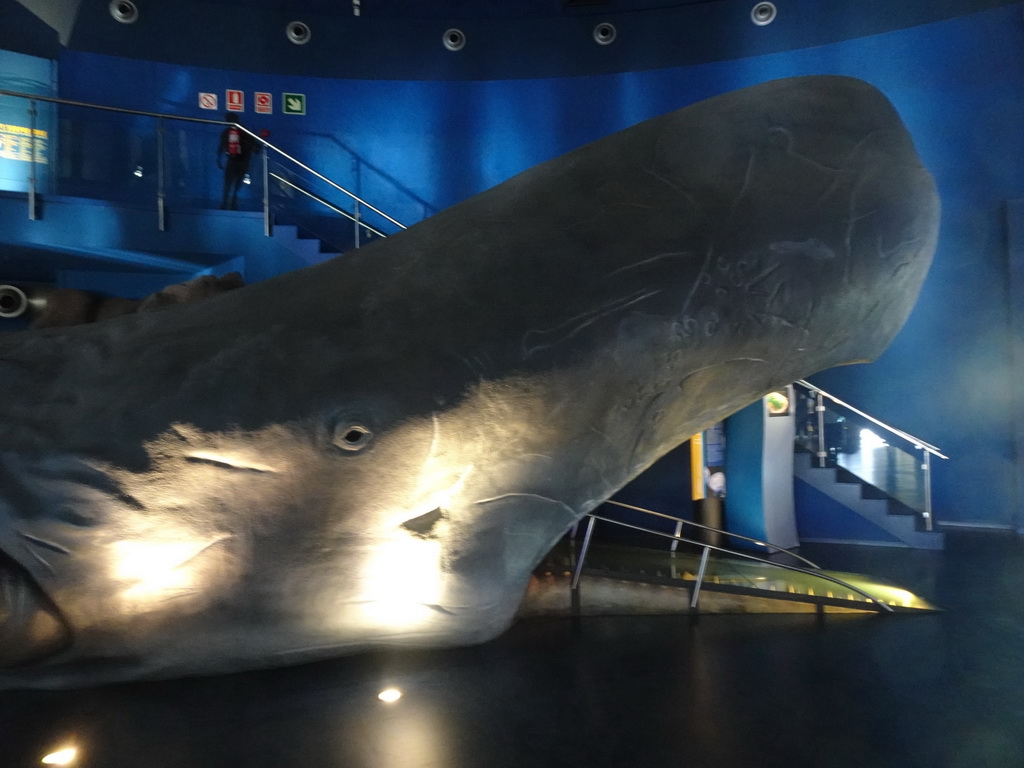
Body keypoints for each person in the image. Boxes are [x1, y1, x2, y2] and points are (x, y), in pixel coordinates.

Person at [217, 113, 258, 210]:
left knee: (236, 182)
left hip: (242, 161)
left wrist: (218, 159)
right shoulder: (227, 132)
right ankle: (226, 200)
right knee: (229, 182)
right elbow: (221, 146)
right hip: (234, 160)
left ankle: (232, 200)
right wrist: (218, 158)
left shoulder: (244, 131)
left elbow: (255, 146)